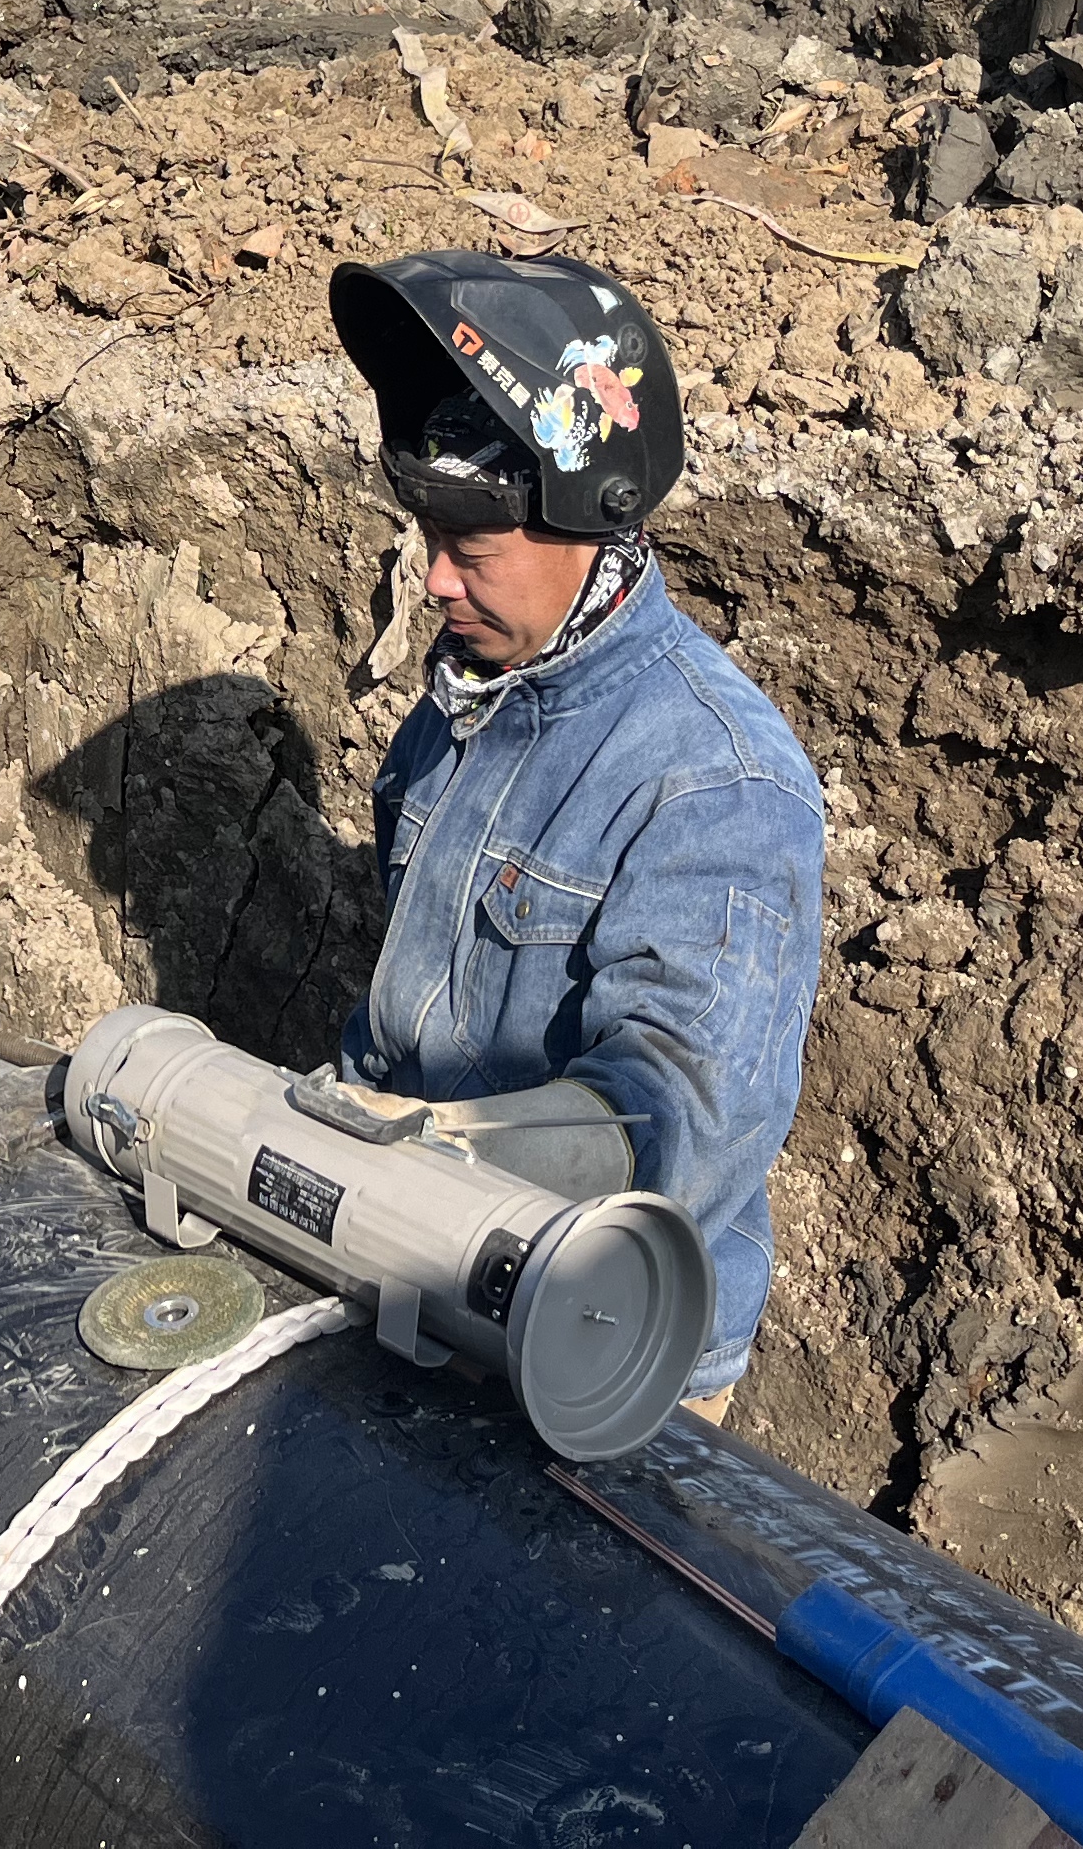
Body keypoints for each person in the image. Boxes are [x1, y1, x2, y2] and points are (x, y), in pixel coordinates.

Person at [326, 249, 825, 1423]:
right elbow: (405, 1013)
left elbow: (677, 1120)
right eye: (424, 538)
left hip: (600, 1342)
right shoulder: (473, 694)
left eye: (472, 552)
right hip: (416, 1265)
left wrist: (414, 1154)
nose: (434, 583)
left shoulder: (717, 786)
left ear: (589, 526)